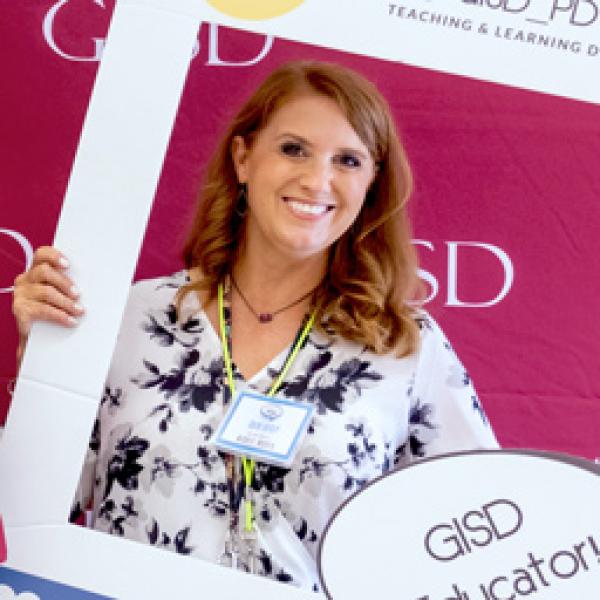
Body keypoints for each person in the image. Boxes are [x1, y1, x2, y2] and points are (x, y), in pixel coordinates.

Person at [12, 61, 497, 591]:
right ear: (243, 158)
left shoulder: (405, 346)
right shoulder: (128, 315)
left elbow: (472, 543)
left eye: (348, 160)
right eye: (294, 149)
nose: (317, 179)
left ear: (371, 182)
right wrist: (41, 356)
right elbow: (37, 507)